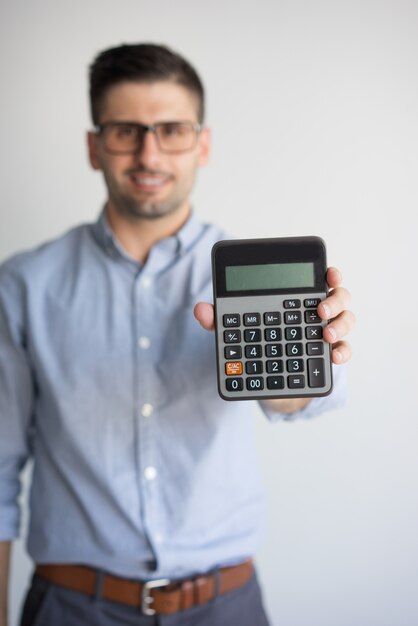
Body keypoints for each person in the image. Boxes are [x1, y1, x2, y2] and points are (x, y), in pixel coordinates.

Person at [0, 43, 354, 626]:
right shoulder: (23, 284)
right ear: (94, 147)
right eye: (125, 131)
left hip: (226, 607)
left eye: (172, 130)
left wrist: (296, 373)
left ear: (202, 144)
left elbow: (301, 403)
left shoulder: (259, 283)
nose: (149, 152)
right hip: (70, 608)